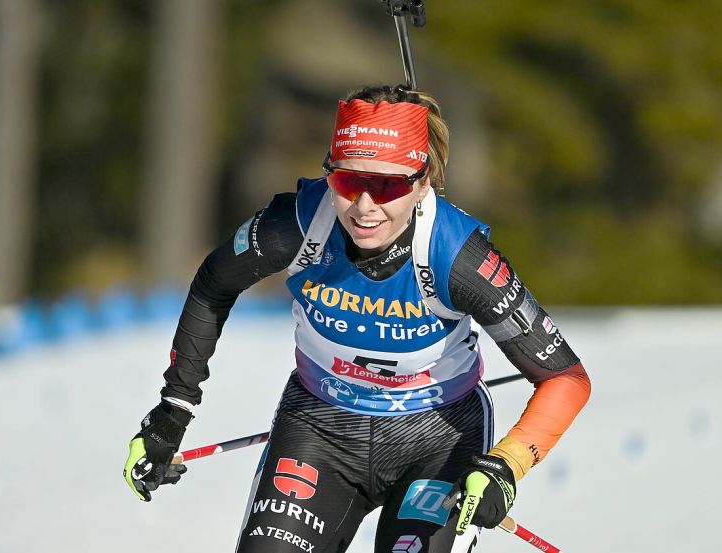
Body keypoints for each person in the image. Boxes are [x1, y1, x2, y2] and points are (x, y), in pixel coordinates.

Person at [123, 84, 591, 552]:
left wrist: (505, 467)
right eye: (349, 182)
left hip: (439, 439)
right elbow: (213, 284)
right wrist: (174, 410)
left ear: (422, 181)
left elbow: (566, 378)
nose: (366, 207)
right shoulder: (297, 225)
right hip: (319, 428)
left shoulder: (457, 256)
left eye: (387, 185)